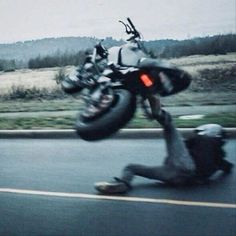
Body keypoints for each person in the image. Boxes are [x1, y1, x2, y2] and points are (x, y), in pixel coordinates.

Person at [95, 95, 234, 194]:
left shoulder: (202, 139)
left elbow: (178, 144)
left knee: (170, 128)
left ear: (207, 130)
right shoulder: (219, 156)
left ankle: (123, 183)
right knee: (134, 166)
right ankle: (122, 185)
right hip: (180, 178)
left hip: (182, 168)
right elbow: (227, 167)